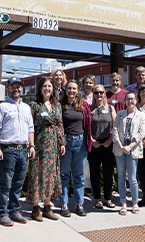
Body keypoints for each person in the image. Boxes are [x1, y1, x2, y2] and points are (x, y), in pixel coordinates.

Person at [0, 76, 36, 226]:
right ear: (8, 89)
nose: (16, 89)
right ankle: (2, 214)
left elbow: (31, 129)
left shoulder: (26, 108)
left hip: (23, 151)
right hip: (8, 150)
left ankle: (14, 211)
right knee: (6, 184)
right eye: (13, 86)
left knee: (18, 183)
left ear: (21, 88)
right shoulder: (2, 107)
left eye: (18, 86)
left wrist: (32, 146)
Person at [26, 77, 66, 222]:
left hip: (53, 146)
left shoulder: (57, 106)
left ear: (53, 89)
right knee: (38, 174)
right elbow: (29, 127)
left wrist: (62, 143)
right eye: (44, 86)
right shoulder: (34, 105)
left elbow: (60, 125)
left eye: (49, 86)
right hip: (38, 145)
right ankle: (36, 208)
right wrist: (30, 145)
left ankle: (47, 207)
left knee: (51, 175)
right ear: (40, 89)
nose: (47, 89)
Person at [59, 79, 92, 217]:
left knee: (79, 176)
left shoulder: (84, 105)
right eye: (69, 88)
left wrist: (89, 140)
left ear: (78, 90)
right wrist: (60, 142)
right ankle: (64, 204)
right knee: (64, 175)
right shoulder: (60, 105)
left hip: (80, 143)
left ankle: (79, 204)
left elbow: (88, 124)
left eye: (74, 88)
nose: (71, 91)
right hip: (65, 143)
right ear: (65, 90)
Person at [112, 91, 145, 215]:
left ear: (136, 101)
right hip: (120, 148)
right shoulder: (120, 114)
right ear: (125, 101)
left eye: (132, 99)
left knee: (132, 178)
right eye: (128, 99)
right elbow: (114, 129)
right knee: (120, 177)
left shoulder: (141, 115)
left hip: (133, 148)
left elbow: (141, 133)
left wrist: (130, 146)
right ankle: (123, 203)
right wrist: (121, 146)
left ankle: (135, 203)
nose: (130, 101)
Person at [88, 84, 116, 209]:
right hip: (94, 144)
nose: (99, 95)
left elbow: (115, 127)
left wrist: (110, 140)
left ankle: (108, 198)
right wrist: (92, 140)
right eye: (96, 92)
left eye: (101, 92)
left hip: (107, 144)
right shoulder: (89, 108)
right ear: (93, 94)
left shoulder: (110, 108)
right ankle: (97, 198)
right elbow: (86, 126)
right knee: (94, 172)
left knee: (108, 172)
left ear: (105, 94)